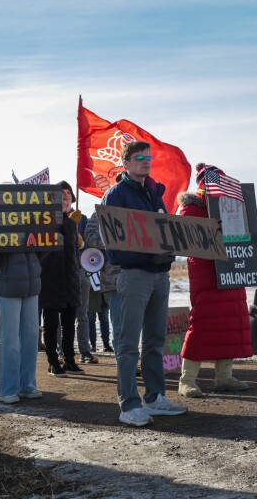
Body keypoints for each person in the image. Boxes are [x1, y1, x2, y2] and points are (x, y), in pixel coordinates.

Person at [103, 141, 186, 426]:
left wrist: (167, 253)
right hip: (135, 275)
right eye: (139, 157)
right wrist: (147, 255)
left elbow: (164, 232)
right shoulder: (116, 195)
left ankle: (154, 398)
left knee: (155, 340)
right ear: (126, 163)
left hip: (160, 275)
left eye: (148, 157)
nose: (146, 161)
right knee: (128, 344)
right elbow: (114, 245)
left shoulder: (154, 193)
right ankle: (128, 405)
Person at [178, 164, 257, 397]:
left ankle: (224, 376)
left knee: (229, 323)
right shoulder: (191, 208)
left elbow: (243, 232)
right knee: (202, 324)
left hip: (232, 271)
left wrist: (256, 239)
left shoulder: (232, 206)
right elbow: (188, 237)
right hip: (207, 273)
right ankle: (187, 380)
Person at [0, 246, 42, 404]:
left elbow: (42, 251)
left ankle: (27, 385)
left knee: (31, 338)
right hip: (8, 287)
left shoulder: (33, 230)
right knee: (10, 340)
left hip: (32, 286)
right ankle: (8, 389)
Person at [40, 181, 84, 377]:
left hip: (70, 279)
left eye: (68, 194)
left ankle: (69, 360)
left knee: (69, 324)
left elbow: (75, 251)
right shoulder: (46, 220)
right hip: (50, 278)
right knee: (50, 324)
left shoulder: (72, 222)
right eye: (61, 194)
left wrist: (78, 239)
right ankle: (52, 362)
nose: (65, 197)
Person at [83, 211, 118, 353]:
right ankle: (92, 344)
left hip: (106, 281)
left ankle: (106, 343)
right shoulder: (91, 238)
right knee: (91, 316)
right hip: (93, 282)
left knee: (104, 316)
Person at [76, 218, 98, 364]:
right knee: (60, 314)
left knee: (82, 313)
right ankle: (61, 352)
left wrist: (82, 244)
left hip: (82, 269)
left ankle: (84, 351)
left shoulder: (82, 219)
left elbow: (90, 245)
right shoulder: (53, 218)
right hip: (62, 269)